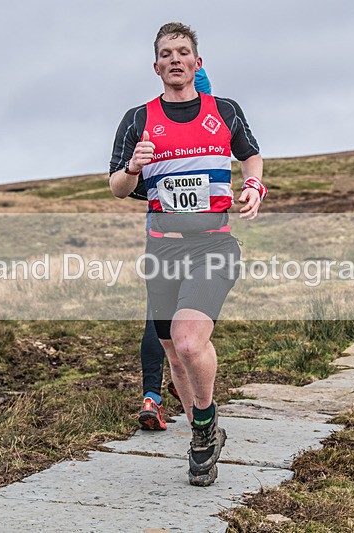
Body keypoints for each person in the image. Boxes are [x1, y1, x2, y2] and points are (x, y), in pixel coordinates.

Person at [109, 22, 264, 486]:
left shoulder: (225, 111)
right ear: (155, 66)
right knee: (174, 354)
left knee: (191, 340)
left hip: (214, 245)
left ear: (197, 63)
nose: (175, 59)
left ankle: (202, 427)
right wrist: (134, 167)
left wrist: (254, 183)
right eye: (166, 53)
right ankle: (204, 426)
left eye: (183, 52)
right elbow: (117, 187)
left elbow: (251, 155)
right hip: (161, 251)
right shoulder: (138, 119)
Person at [133, 68, 213, 431]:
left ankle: (156, 394)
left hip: (191, 237)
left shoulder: (208, 105)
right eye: (167, 55)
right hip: (167, 237)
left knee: (169, 329)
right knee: (176, 333)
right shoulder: (151, 115)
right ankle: (182, 400)